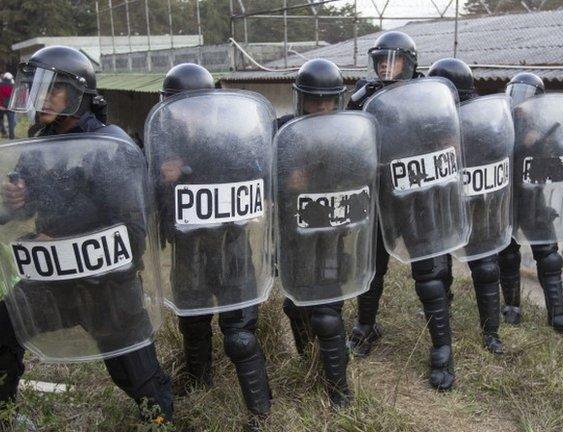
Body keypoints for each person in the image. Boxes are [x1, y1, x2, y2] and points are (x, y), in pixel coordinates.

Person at [0, 46, 173, 430]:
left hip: (107, 288)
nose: (39, 97)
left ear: (76, 94)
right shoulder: (41, 142)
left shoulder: (109, 148)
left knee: (137, 379)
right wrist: (17, 201)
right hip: (52, 284)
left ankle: (162, 422)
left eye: (52, 88)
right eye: (36, 86)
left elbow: (133, 233)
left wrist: (69, 245)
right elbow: (25, 202)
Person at [148, 62, 273, 430]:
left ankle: (260, 410)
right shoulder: (162, 141)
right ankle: (200, 382)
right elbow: (149, 199)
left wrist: (190, 170)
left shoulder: (230, 135)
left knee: (240, 333)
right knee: (192, 320)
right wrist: (162, 177)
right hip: (188, 250)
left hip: (230, 248)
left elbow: (258, 172)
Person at [346, 31, 457, 391]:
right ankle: (365, 327)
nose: (384, 66)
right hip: (377, 197)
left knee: (428, 276)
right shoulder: (365, 96)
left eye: (391, 59)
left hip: (415, 196)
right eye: (380, 60)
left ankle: (442, 348)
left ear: (408, 63)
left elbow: (445, 141)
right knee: (371, 268)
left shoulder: (429, 97)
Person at [277, 58, 359, 407]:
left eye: (328, 100)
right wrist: (285, 180)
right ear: (300, 98)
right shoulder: (281, 131)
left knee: (326, 313)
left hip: (330, 236)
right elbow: (259, 175)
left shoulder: (349, 135)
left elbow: (362, 179)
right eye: (314, 99)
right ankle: (311, 362)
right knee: (295, 306)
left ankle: (339, 390)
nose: (322, 106)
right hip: (293, 238)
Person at [426, 58, 506, 354]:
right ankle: (441, 318)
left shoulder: (485, 116)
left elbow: (497, 153)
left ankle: (491, 332)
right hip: (440, 201)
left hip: (477, 199)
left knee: (485, 267)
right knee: (437, 268)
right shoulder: (429, 117)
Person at [497, 73, 563, 339]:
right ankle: (511, 306)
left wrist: (542, 141)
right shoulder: (501, 121)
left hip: (535, 200)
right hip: (507, 199)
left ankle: (557, 315)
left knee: (549, 256)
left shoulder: (546, 124)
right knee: (507, 254)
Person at [0, 72, 16, 139]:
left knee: (0, 119)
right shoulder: (13, 86)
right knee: (11, 122)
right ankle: (12, 136)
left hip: (0, 106)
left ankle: (3, 132)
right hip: (10, 107)